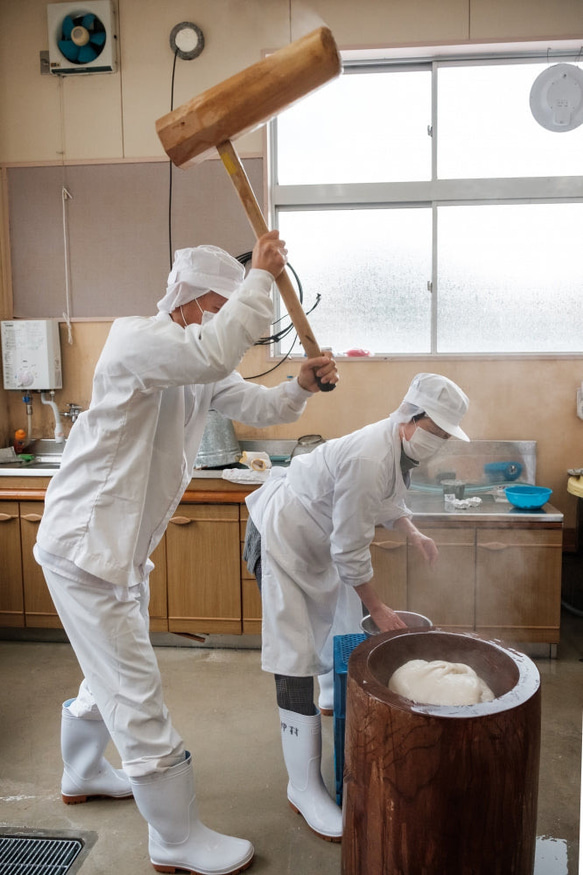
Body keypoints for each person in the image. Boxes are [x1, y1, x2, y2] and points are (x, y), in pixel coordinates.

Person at [33, 230, 338, 875]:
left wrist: (302, 385)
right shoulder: (136, 340)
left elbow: (257, 400)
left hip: (109, 554)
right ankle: (173, 839)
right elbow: (212, 350)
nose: (237, 330)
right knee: (135, 695)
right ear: (196, 303)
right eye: (225, 311)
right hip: (89, 554)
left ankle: (83, 768)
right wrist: (260, 274)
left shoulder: (196, 366)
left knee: (106, 672)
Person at [243, 372, 470, 842]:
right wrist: (382, 610)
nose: (440, 442)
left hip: (314, 545)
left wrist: (414, 532)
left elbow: (387, 501)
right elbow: (350, 549)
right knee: (294, 660)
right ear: (410, 418)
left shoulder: (394, 448)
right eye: (437, 431)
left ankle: (332, 697)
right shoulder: (372, 454)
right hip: (281, 543)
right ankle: (303, 788)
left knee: (340, 622)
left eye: (447, 436)